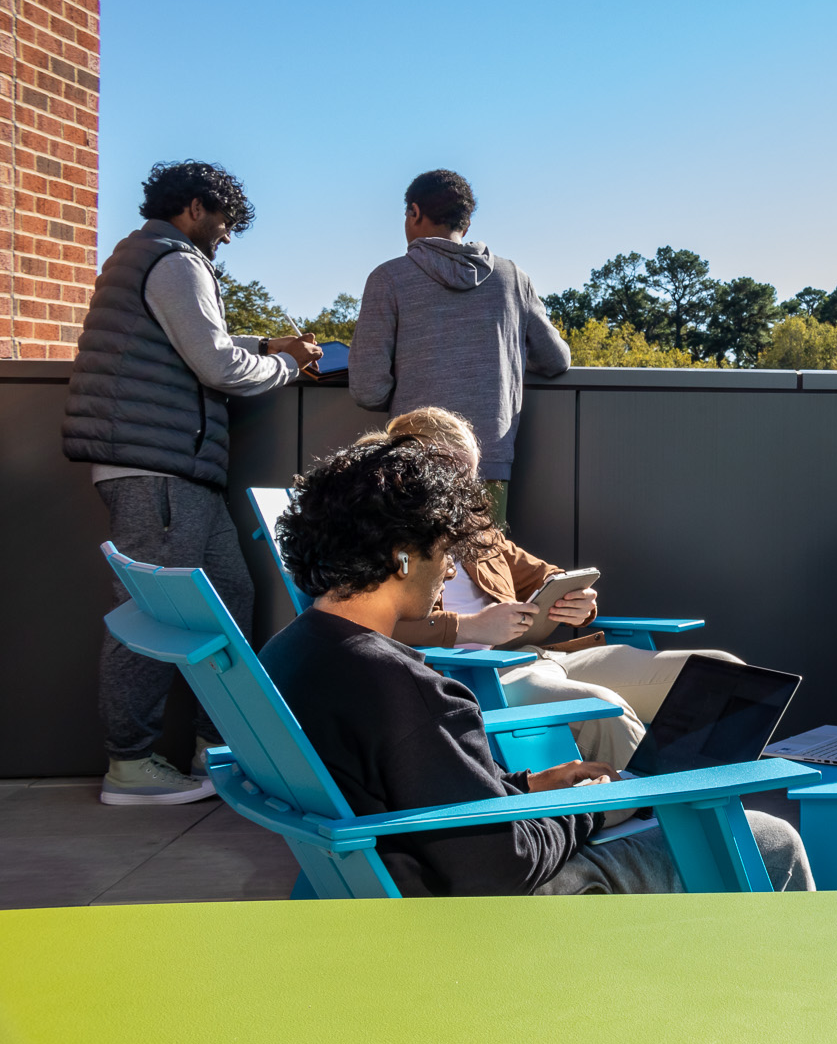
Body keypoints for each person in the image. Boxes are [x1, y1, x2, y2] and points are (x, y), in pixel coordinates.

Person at [262, 433, 811, 896]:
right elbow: (503, 865)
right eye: (444, 552)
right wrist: (591, 809)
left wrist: (529, 786)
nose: (449, 572)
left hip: (392, 876)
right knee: (770, 838)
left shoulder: (289, 653)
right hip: (474, 912)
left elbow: (422, 789)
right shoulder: (407, 689)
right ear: (403, 555)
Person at [63, 160, 321, 805]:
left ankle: (219, 752)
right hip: (157, 476)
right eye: (226, 221)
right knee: (150, 618)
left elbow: (193, 340)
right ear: (196, 208)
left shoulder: (148, 256)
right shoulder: (174, 260)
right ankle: (130, 765)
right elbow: (216, 364)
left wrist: (267, 343)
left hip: (178, 476)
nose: (227, 235)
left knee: (229, 601)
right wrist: (287, 365)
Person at [379, 406, 742, 770]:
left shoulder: (475, 528)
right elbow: (368, 624)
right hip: (474, 677)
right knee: (605, 712)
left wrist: (578, 601)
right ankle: (665, 801)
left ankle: (710, 793)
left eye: (471, 475)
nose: (465, 487)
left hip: (536, 655)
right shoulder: (381, 536)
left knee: (721, 673)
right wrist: (470, 627)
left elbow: (544, 575)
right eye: (454, 473)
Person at [350, 169, 570, 526]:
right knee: (485, 559)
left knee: (415, 561)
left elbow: (367, 389)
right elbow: (556, 359)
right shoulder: (513, 278)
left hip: (413, 462)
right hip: (489, 459)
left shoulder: (388, 279)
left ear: (414, 212)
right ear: (465, 224)